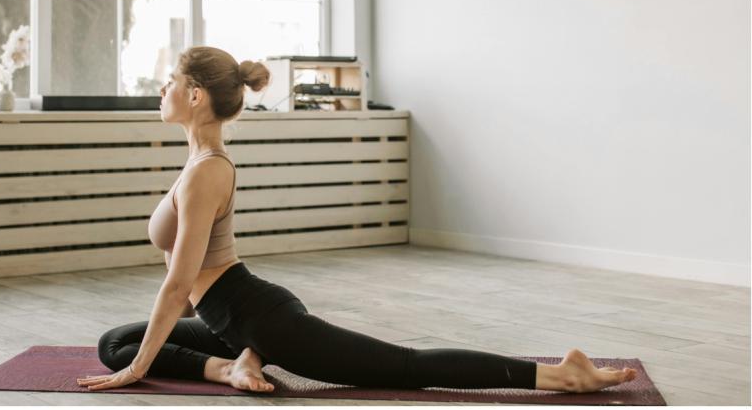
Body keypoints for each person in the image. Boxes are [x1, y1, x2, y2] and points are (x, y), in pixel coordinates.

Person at [78, 46, 638, 394]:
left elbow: (179, 283)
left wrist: (136, 375)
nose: (162, 90)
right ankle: (232, 367)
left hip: (262, 319)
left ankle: (561, 374)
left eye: (170, 82)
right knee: (116, 342)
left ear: (195, 95)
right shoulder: (198, 159)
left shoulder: (207, 170)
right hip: (233, 318)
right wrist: (138, 362)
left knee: (406, 366)